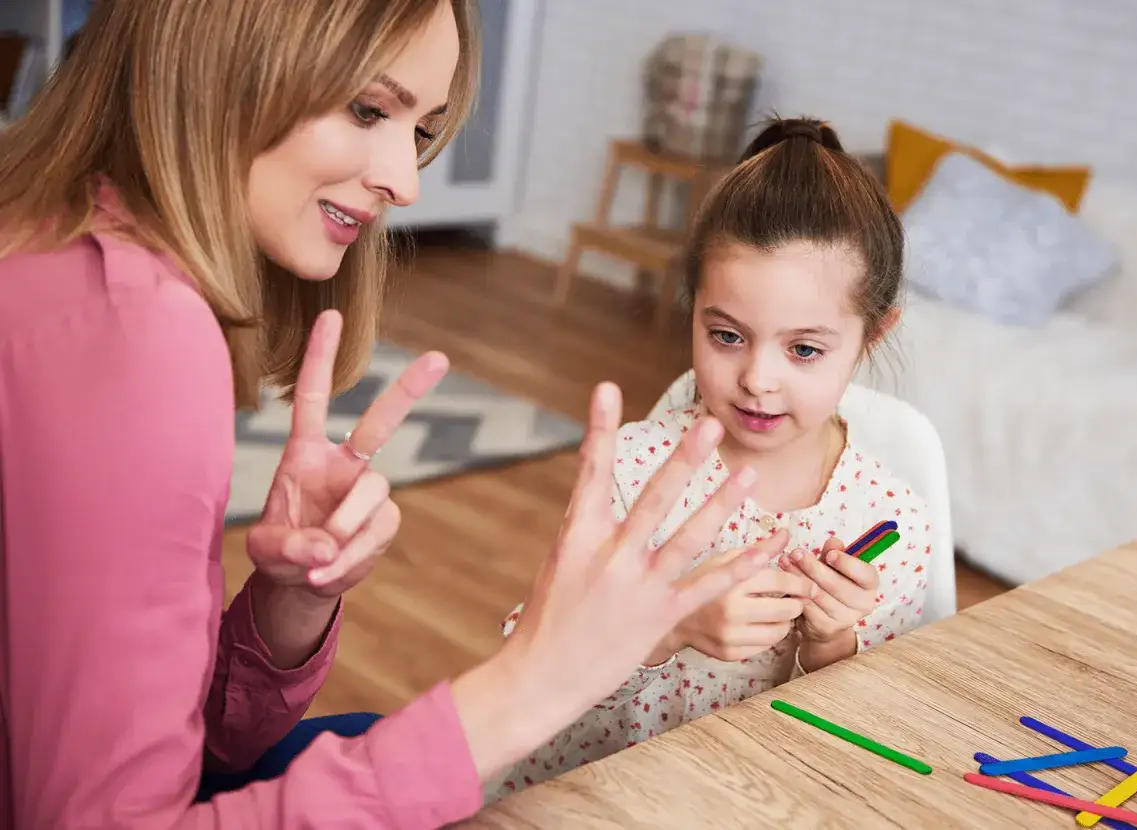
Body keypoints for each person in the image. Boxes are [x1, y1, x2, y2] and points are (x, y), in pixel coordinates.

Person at [0, 1, 788, 826]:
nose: (405, 182)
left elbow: (179, 749)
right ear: (222, 57)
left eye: (418, 132)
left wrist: (288, 605)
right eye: (367, 109)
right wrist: (528, 687)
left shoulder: (57, 241)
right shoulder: (134, 336)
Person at [488, 117, 935, 799]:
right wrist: (673, 624)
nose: (758, 378)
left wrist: (831, 648)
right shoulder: (640, 469)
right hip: (588, 795)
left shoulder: (890, 520)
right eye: (726, 335)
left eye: (804, 350)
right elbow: (526, 666)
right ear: (693, 307)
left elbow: (859, 748)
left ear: (872, 336)